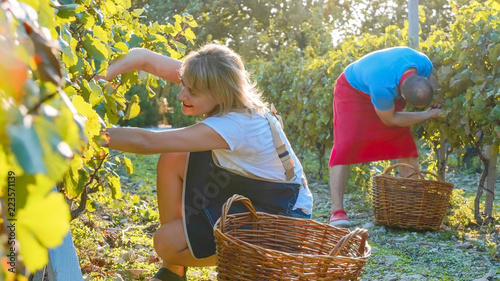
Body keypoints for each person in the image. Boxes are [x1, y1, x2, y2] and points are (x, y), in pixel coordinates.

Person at [97, 44, 313, 281]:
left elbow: (147, 142)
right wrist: (98, 77)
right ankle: (173, 271)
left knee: (166, 243)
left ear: (218, 93)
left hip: (282, 218)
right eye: (183, 84)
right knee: (174, 157)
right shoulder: (213, 83)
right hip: (254, 194)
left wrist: (86, 131)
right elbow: (144, 58)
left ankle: (250, 259)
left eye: (192, 92)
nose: (181, 94)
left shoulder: (235, 124)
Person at [328, 46, 442, 228]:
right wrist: (428, 115)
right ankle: (337, 211)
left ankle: (416, 208)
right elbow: (390, 119)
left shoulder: (424, 64)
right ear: (402, 95)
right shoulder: (383, 86)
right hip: (353, 89)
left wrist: (440, 101)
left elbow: (434, 84)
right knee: (346, 145)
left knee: (404, 143)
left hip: (383, 85)